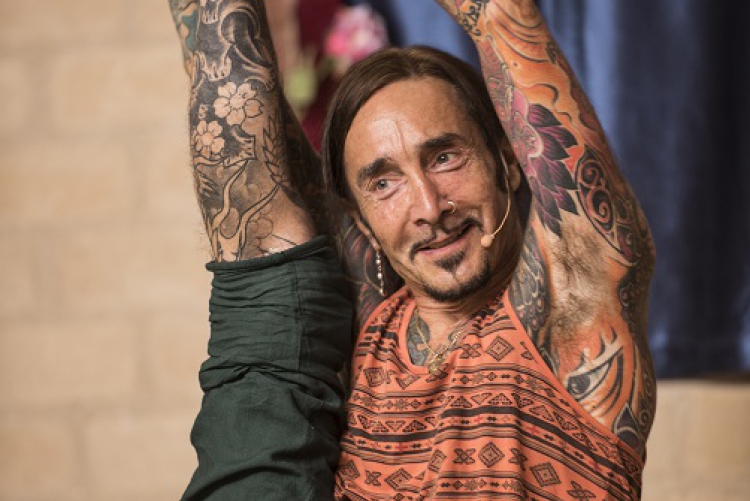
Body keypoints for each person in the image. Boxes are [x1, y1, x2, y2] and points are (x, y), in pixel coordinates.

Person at [169, 1, 656, 500]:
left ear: (508, 163)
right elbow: (232, 94)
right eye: (384, 183)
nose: (428, 206)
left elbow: (502, 16)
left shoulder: (568, 314)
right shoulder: (368, 322)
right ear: (361, 218)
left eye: (445, 157)